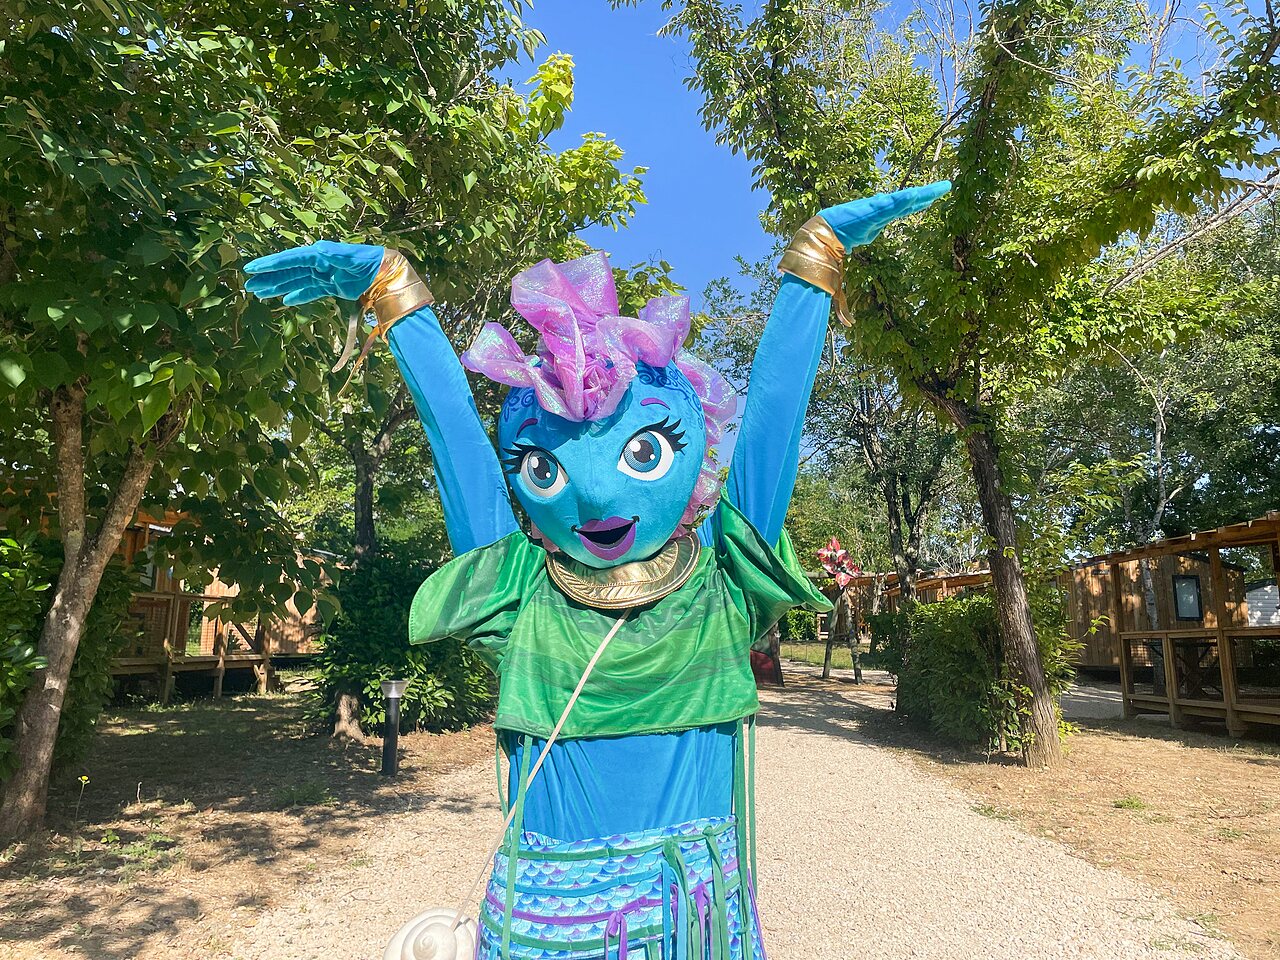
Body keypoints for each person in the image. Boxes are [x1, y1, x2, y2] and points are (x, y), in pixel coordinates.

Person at [245, 181, 949, 960]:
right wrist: (397, 295)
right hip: (557, 920)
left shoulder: (720, 572)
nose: (595, 497)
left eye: (644, 452)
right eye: (545, 468)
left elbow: (774, 424)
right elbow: (460, 451)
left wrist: (811, 267)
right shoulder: (519, 587)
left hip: (688, 920)